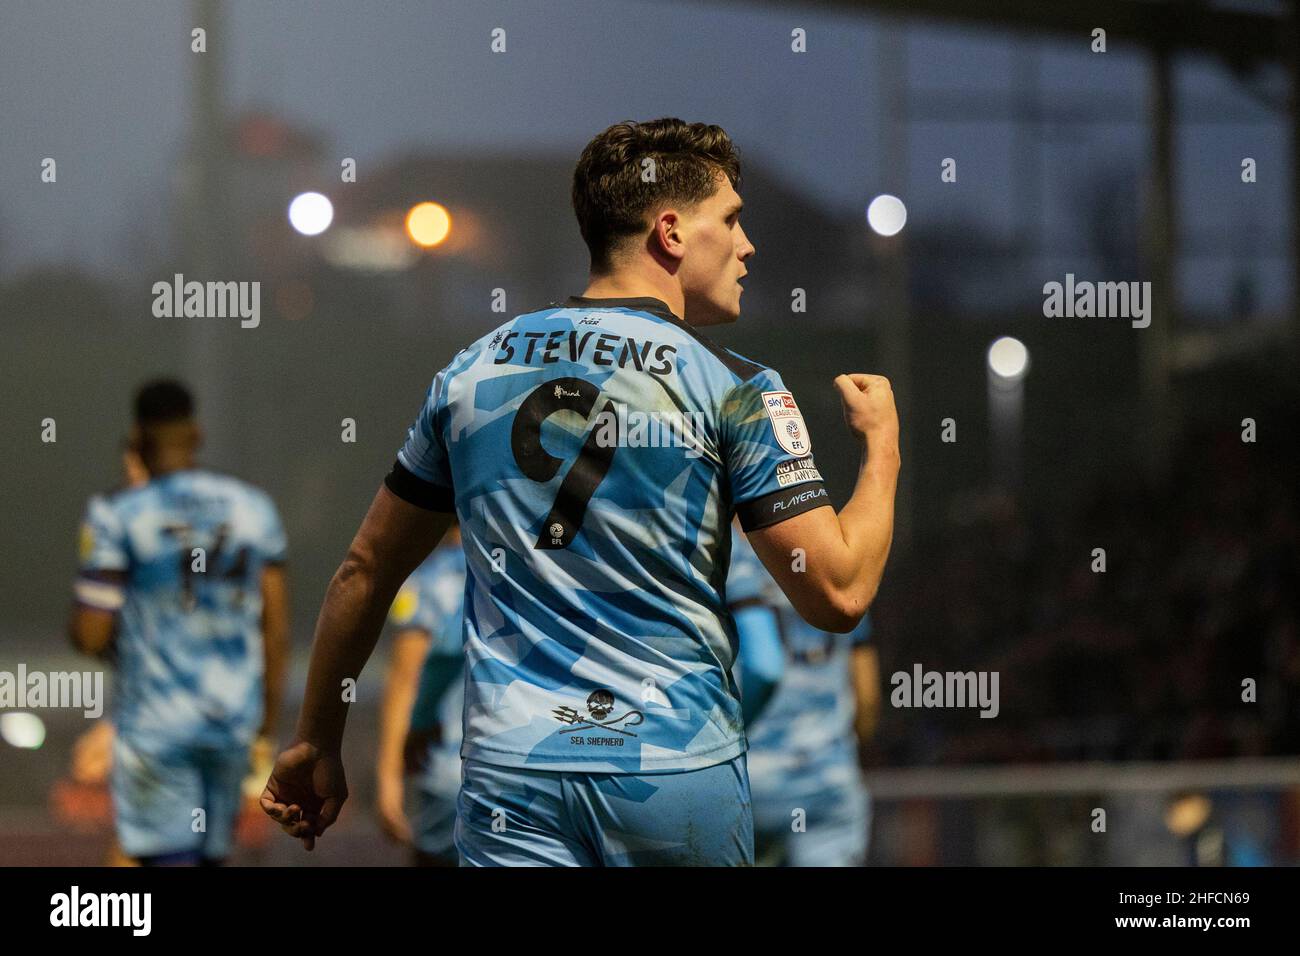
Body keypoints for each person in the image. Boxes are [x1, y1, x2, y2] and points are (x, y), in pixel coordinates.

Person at [262, 118, 899, 866]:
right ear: (670, 231)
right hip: (675, 773)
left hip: (514, 779)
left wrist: (316, 741)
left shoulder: (472, 374)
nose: (747, 245)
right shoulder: (737, 389)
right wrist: (882, 446)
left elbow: (363, 573)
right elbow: (840, 591)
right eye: (730, 219)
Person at [70, 380, 290, 865]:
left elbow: (90, 634)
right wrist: (266, 726)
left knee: (160, 859)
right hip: (232, 721)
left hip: (158, 726)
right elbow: (276, 632)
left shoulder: (118, 515)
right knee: (209, 855)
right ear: (197, 433)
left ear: (138, 437)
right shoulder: (254, 510)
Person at [729, 522, 880, 866]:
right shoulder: (838, 562)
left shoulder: (722, 556)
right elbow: (866, 694)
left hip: (747, 785)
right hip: (826, 783)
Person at [375, 524, 466, 865]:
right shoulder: (538, 572)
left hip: (450, 777)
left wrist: (389, 780)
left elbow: (405, 680)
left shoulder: (429, 582)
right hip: (531, 771)